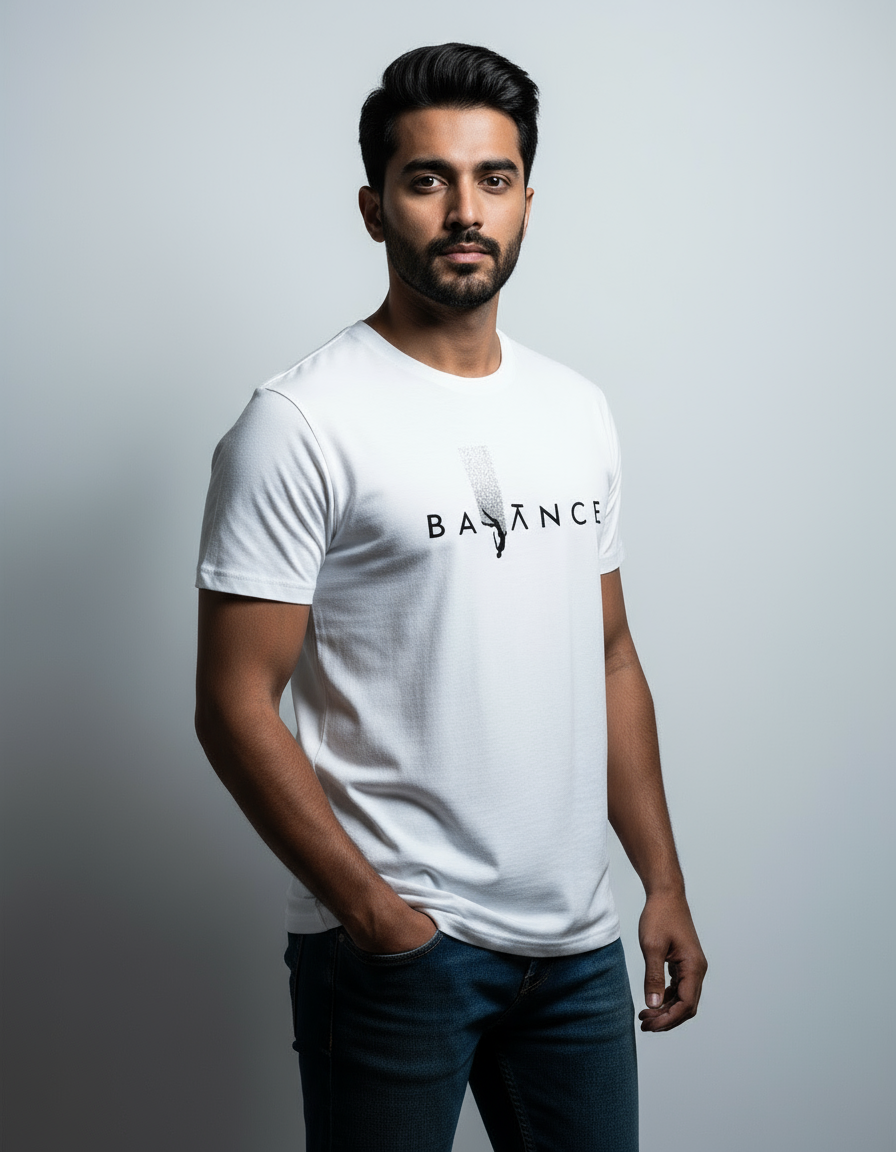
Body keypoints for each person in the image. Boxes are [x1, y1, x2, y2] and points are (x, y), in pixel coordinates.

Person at [194, 42, 706, 1152]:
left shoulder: (575, 409)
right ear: (373, 208)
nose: (466, 211)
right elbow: (233, 704)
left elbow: (610, 655)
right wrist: (376, 918)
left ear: (526, 200)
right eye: (427, 179)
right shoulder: (301, 424)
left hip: (577, 950)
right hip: (400, 952)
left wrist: (660, 883)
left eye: (494, 178)